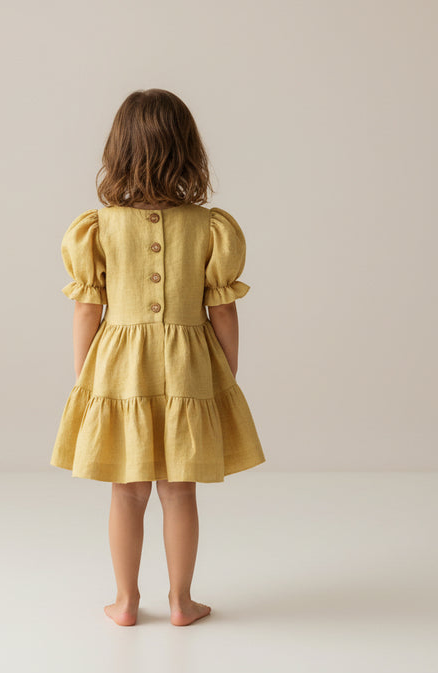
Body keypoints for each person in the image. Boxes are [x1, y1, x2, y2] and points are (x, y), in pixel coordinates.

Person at [51, 88, 266, 627]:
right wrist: (225, 372)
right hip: (190, 364)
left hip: (119, 366)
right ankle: (180, 602)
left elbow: (86, 309)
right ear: (188, 149)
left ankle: (126, 603)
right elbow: (223, 310)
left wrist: (86, 376)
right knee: (180, 489)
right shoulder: (209, 227)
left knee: (126, 491)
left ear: (118, 151)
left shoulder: (98, 227)